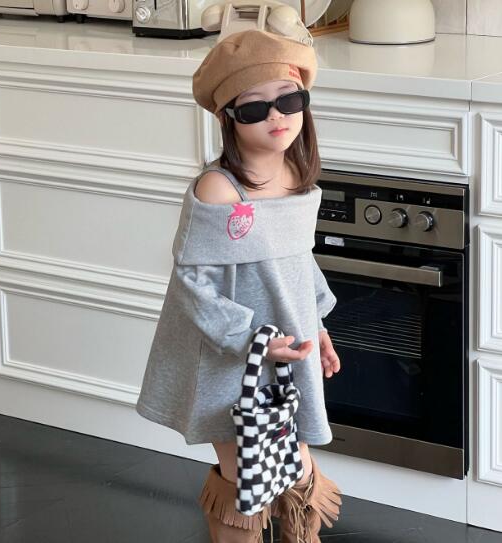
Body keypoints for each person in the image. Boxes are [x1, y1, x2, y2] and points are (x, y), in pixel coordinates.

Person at [135, 28, 342, 543]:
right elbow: (192, 281)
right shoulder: (219, 190)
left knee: (295, 463)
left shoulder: (296, 173)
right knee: (242, 468)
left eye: (289, 100)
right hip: (231, 354)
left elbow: (298, 262)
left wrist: (317, 325)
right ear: (228, 117)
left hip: (288, 342)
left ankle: (299, 532)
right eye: (253, 108)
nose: (276, 116)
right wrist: (251, 337)